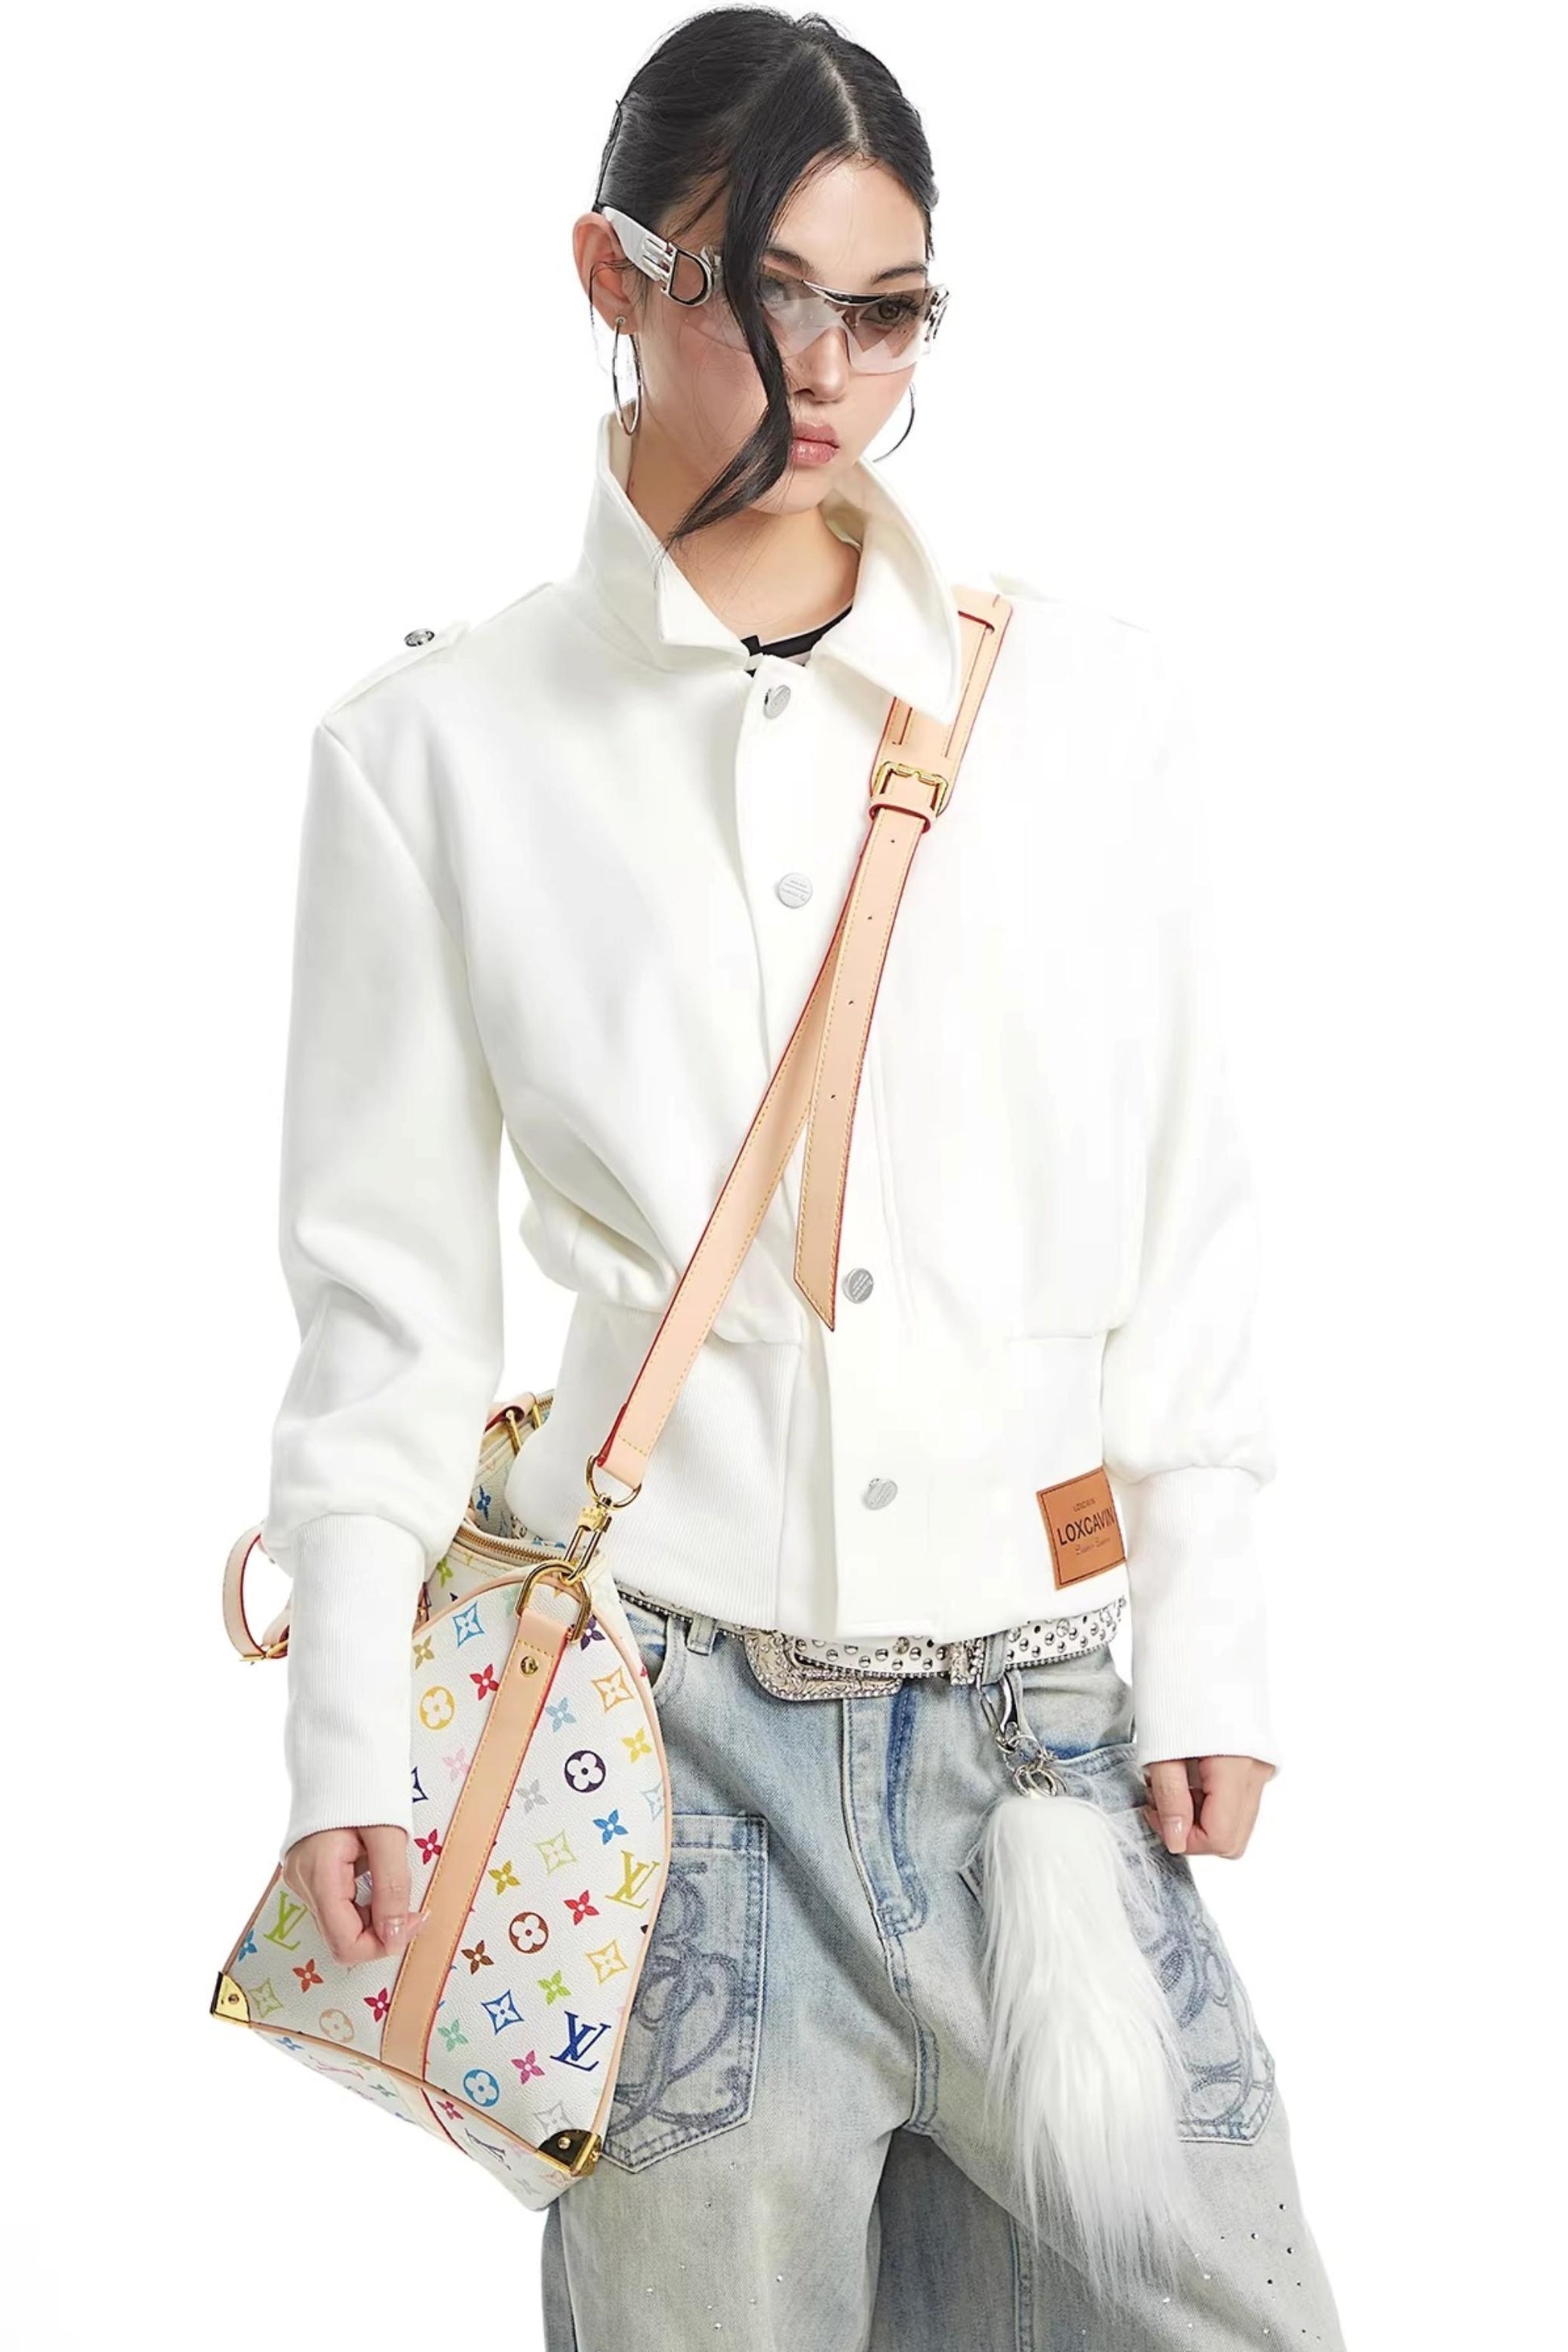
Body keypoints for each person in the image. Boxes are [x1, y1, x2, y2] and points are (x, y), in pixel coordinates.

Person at [261, 8, 1347, 2346]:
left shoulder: (1090, 711)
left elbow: (1185, 1206)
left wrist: (1215, 1635)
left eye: (891, 309)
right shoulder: (432, 756)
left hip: (1045, 1747)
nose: (834, 372)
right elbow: (389, 1308)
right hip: (668, 1770)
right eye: (772, 294)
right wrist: (345, 1728)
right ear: (612, 273)